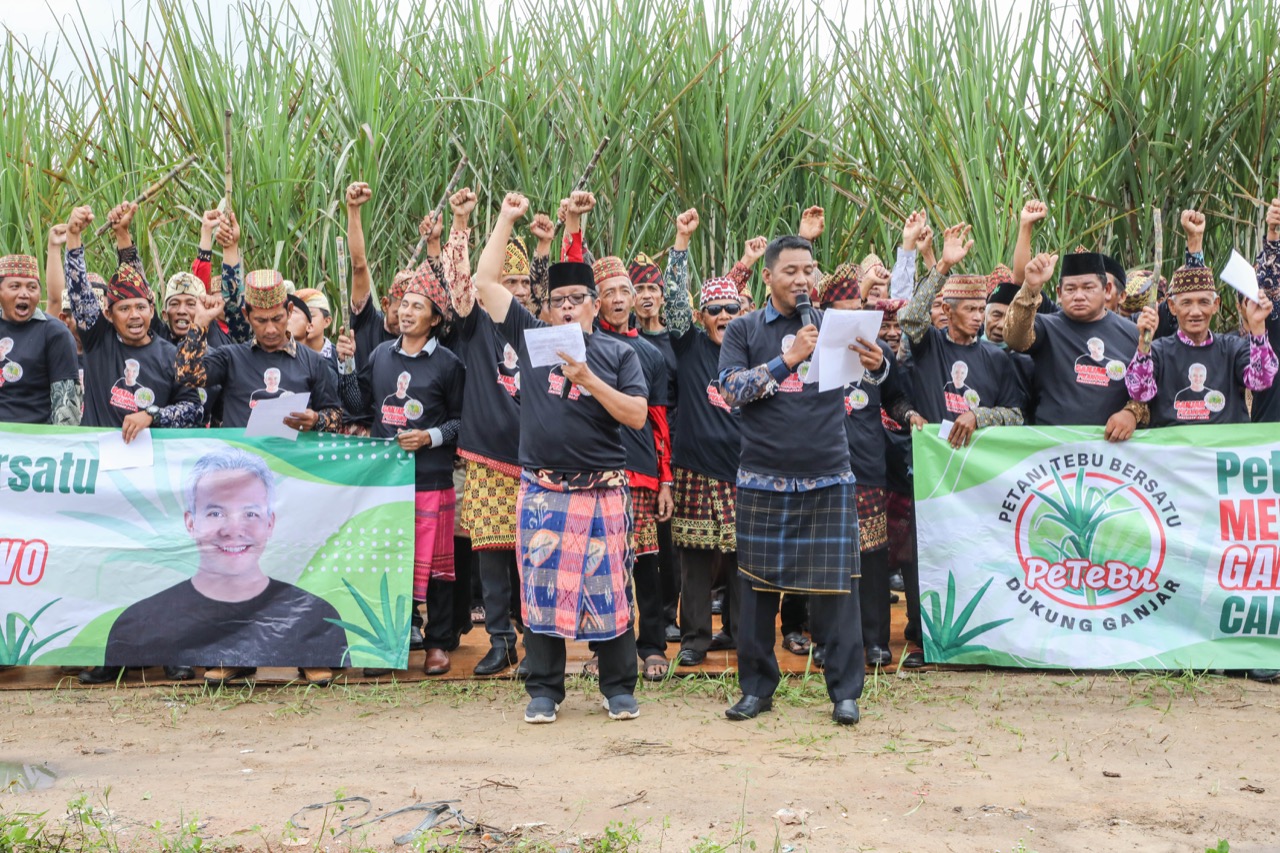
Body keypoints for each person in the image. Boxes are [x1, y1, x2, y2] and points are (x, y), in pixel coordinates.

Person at [473, 192, 648, 725]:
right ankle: (544, 689)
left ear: (596, 304)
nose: (567, 307)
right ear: (548, 308)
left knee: (610, 587)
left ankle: (617, 685)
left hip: (601, 489)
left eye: (578, 298)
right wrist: (505, 218)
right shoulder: (534, 340)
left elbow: (637, 416)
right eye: (559, 300)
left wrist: (589, 379)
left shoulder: (619, 354)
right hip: (544, 489)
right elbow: (484, 285)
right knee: (541, 587)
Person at [719, 234, 886, 726]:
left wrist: (880, 365)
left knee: (837, 592)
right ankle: (756, 690)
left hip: (828, 474)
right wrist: (788, 359)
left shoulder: (833, 325)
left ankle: (844, 694)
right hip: (762, 478)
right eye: (790, 271)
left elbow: (870, 379)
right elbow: (731, 390)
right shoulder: (744, 329)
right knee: (754, 594)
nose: (801, 280)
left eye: (808, 270)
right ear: (767, 277)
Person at [104, 448, 349, 668]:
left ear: (270, 523)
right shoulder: (137, 623)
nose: (233, 529)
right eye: (216, 513)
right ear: (191, 523)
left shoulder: (316, 618)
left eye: (250, 513)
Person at [339, 265, 465, 677]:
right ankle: (386, 644)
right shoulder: (379, 355)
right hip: (387, 480)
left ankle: (438, 643)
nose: (406, 312)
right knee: (387, 562)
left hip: (431, 478)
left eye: (417, 306)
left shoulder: (449, 364)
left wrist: (430, 436)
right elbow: (358, 404)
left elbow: (463, 422)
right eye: (403, 304)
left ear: (435, 318)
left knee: (437, 566)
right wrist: (344, 365)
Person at [816, 263, 911, 670]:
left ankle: (874, 641)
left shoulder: (879, 351)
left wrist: (910, 416)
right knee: (825, 559)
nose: (854, 318)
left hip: (868, 466)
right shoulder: (809, 348)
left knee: (872, 557)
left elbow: (896, 399)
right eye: (844, 311)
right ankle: (827, 641)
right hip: (820, 468)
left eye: (859, 308)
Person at [594, 247, 674, 683]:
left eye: (626, 290)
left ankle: (653, 646)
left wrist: (666, 479)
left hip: (641, 471)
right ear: (598, 301)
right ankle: (605, 650)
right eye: (611, 292)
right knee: (604, 565)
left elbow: (659, 422)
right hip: (597, 470)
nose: (621, 298)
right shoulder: (586, 346)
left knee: (645, 562)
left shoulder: (651, 354)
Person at [899, 224, 1025, 447]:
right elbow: (909, 319)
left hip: (976, 466)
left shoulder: (996, 357)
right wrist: (943, 265)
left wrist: (979, 416)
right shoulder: (929, 344)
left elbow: (1016, 416)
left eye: (980, 310)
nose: (978, 318)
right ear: (948, 311)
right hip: (931, 458)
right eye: (970, 310)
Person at [1004, 250, 1148, 438]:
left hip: (1111, 453)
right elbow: (1015, 338)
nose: (1079, 296)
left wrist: (1131, 413)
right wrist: (1030, 288)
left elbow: (1147, 386)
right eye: (1070, 289)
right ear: (1059, 293)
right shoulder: (1046, 327)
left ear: (1106, 290)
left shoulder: (1133, 334)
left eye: (1088, 288)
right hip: (1052, 447)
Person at [1126, 265, 1275, 426]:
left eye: (1204, 302)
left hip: (1222, 447)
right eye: (1186, 303)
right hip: (1172, 448)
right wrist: (1144, 343)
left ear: (1215, 304)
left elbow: (1261, 381)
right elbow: (1139, 393)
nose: (1195, 311)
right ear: (1172, 307)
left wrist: (1258, 328)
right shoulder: (1157, 351)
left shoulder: (1233, 348)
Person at [0, 244, 81, 426]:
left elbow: (67, 408)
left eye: (31, 287)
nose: (24, 294)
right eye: (15, 286)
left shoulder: (55, 333)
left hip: (35, 443)